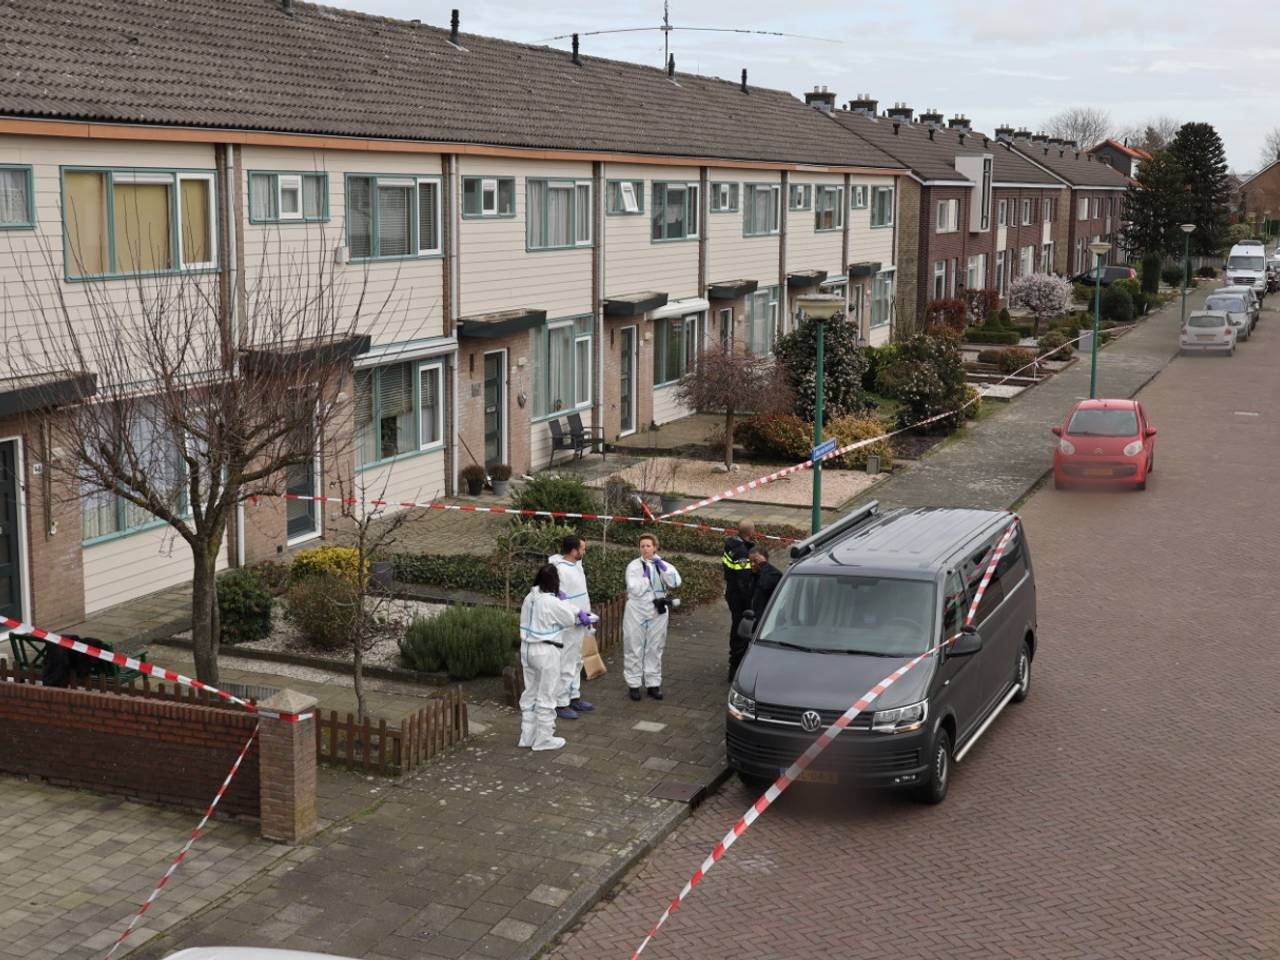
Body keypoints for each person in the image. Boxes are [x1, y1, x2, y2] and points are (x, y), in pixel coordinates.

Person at [518, 564, 596, 752]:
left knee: (530, 693)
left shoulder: (530, 598)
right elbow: (570, 619)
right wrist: (579, 613)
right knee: (547, 694)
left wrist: (562, 602)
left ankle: (527, 736)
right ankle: (544, 738)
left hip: (527, 650)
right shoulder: (551, 602)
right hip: (546, 651)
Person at [623, 533, 682, 701]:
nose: (645, 549)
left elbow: (676, 582)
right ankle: (634, 684)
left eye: (648, 545)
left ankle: (653, 684)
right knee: (633, 646)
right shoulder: (633, 566)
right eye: (642, 546)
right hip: (637, 609)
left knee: (655, 647)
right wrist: (645, 576)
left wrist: (663, 567)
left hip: (657, 610)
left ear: (655, 547)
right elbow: (635, 589)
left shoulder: (662, 564)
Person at [549, 534, 594, 719]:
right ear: (574, 551)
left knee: (577, 660)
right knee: (566, 662)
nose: (584, 551)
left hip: (580, 622)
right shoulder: (559, 571)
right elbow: (561, 598)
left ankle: (574, 696)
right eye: (582, 548)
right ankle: (561, 703)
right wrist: (576, 613)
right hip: (568, 624)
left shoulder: (576, 564)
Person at [722, 519, 756, 681]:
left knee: (738, 627)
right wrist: (749, 599)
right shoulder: (742, 552)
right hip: (738, 597)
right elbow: (743, 579)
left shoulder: (731, 545)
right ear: (750, 533)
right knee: (740, 629)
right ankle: (735, 666)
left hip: (731, 590)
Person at [748, 546, 782, 621]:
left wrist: (763, 564)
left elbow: (765, 585)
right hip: (758, 619)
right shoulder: (755, 575)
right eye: (750, 561)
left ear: (764, 560)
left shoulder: (773, 574)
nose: (752, 564)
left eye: (755, 561)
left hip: (769, 620)